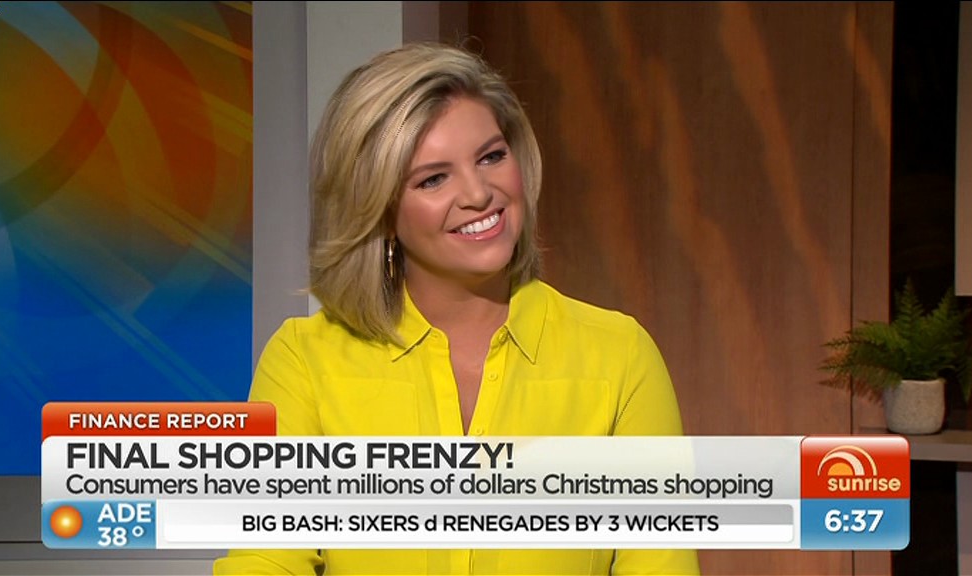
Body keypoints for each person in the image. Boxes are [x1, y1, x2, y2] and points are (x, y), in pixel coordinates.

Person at [215, 42, 699, 576]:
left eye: (491, 157)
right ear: (380, 211)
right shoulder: (305, 363)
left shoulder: (619, 358)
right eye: (433, 178)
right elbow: (265, 561)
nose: (479, 193)